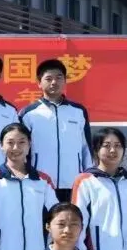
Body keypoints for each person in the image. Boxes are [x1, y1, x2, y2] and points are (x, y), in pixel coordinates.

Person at [19, 59, 91, 201]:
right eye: (48, 79)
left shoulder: (78, 111)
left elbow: (86, 148)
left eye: (59, 78)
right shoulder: (28, 114)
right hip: (40, 182)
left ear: (65, 81)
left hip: (73, 182)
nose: (54, 82)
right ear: (39, 83)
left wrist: (88, 177)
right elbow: (22, 150)